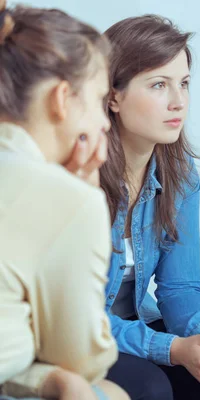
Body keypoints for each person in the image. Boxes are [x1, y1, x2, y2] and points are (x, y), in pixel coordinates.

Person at [99, 15, 200, 400]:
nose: (178, 101)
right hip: (75, 336)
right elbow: (74, 318)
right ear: (112, 96)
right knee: (150, 388)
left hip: (135, 325)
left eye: (184, 84)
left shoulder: (180, 175)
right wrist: (172, 350)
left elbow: (181, 286)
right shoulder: (77, 179)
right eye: (159, 85)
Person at [0, 1, 129, 399]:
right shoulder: (69, 199)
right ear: (61, 99)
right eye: (98, 99)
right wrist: (85, 194)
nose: (106, 121)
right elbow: (81, 360)